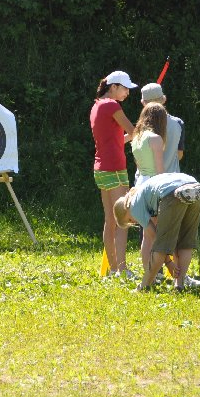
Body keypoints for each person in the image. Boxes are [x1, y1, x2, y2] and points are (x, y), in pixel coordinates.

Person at [113, 172, 200, 291]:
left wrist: (169, 263)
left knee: (159, 247)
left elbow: (157, 239)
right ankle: (179, 284)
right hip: (195, 189)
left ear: (125, 208)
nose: (135, 222)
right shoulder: (145, 195)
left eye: (130, 220)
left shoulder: (133, 206)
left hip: (173, 194)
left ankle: (144, 286)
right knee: (185, 242)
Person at [90, 70, 137, 278]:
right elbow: (133, 131)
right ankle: (122, 269)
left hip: (101, 168)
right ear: (114, 87)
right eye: (125, 88)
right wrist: (145, 121)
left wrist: (131, 134)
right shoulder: (112, 105)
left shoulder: (97, 105)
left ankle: (112, 269)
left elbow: (117, 140)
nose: (127, 92)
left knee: (110, 220)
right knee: (123, 219)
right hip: (115, 169)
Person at [139, 83, 185, 174]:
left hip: (145, 179)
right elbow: (179, 155)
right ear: (164, 99)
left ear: (143, 103)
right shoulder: (178, 123)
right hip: (171, 178)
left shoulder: (141, 125)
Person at [130, 102, 167, 186]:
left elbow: (139, 166)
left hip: (140, 182)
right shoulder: (155, 138)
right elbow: (160, 171)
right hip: (153, 184)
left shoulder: (136, 138)